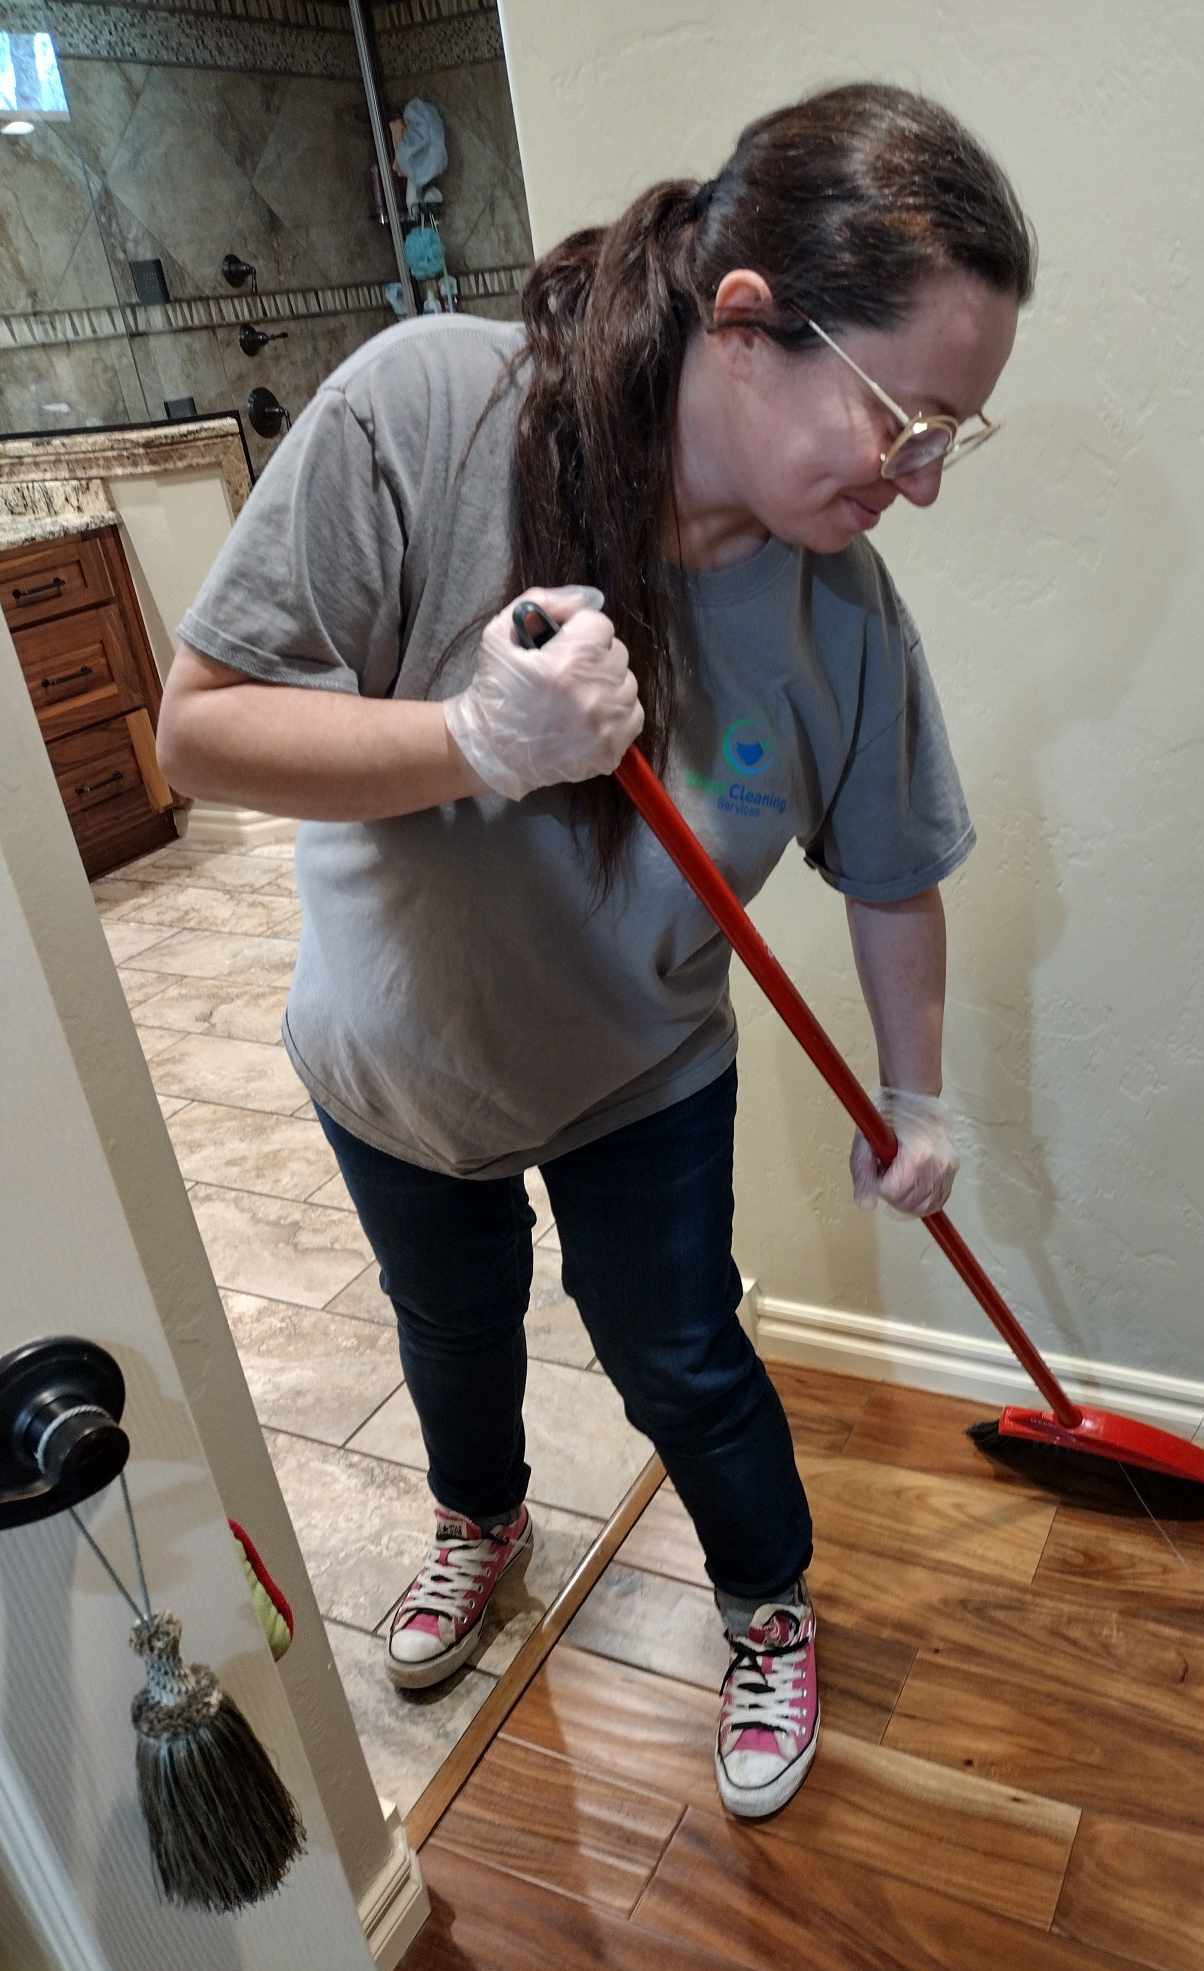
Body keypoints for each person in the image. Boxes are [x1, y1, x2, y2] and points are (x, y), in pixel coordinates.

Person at [157, 80, 1033, 1822]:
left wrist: (919, 1092)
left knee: (678, 1352)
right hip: (397, 1053)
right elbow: (201, 733)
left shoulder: (837, 609)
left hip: (643, 1068)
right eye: (900, 417)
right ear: (745, 324)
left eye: (955, 437)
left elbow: (892, 871)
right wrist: (474, 740)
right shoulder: (434, 409)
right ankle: (479, 1522)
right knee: (449, 1330)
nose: (919, 480)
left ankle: (763, 1599)